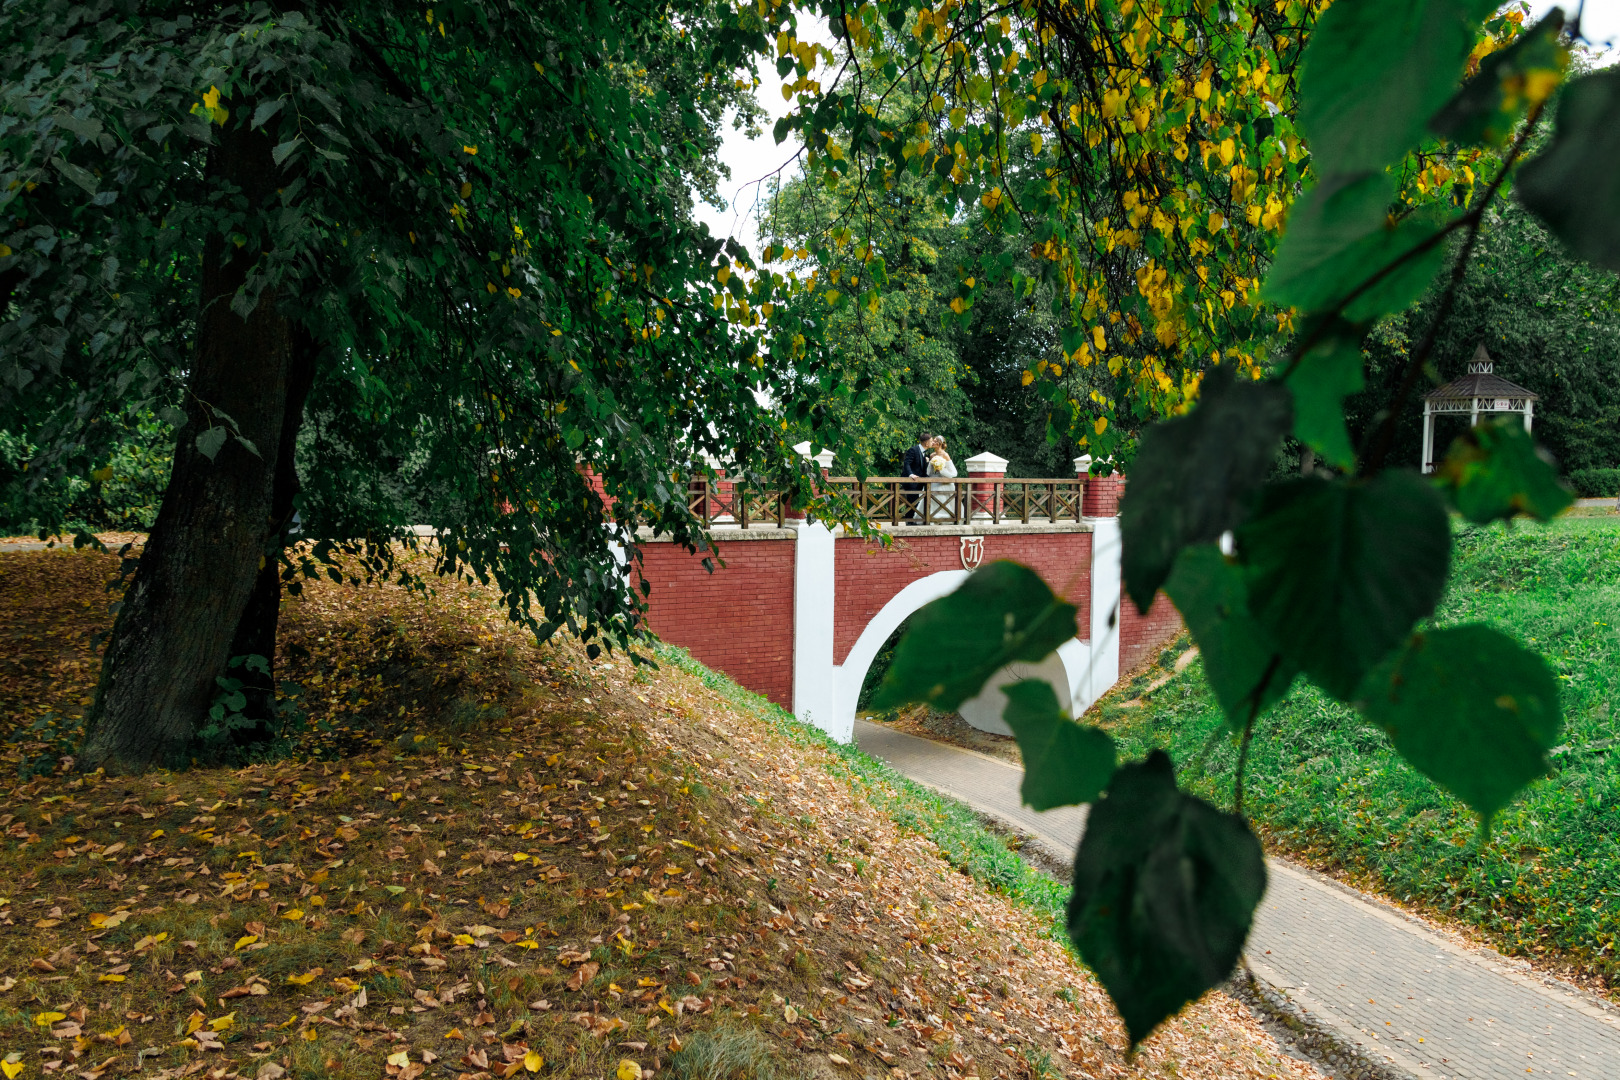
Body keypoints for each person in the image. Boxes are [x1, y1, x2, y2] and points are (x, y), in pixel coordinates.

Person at [901, 432, 932, 524]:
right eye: (931, 441)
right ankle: (909, 521)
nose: (932, 443)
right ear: (926, 443)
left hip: (918, 482)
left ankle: (912, 519)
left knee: (915, 501)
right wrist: (911, 474)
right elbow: (907, 463)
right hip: (911, 481)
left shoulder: (923, 452)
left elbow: (921, 468)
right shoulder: (913, 450)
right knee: (912, 500)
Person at [927, 436, 958, 522]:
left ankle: (944, 520)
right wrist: (929, 463)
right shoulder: (932, 455)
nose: (932, 442)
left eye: (935, 441)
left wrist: (941, 470)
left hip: (944, 483)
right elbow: (929, 472)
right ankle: (931, 520)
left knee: (942, 501)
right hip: (933, 481)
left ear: (939, 443)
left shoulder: (945, 455)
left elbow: (954, 473)